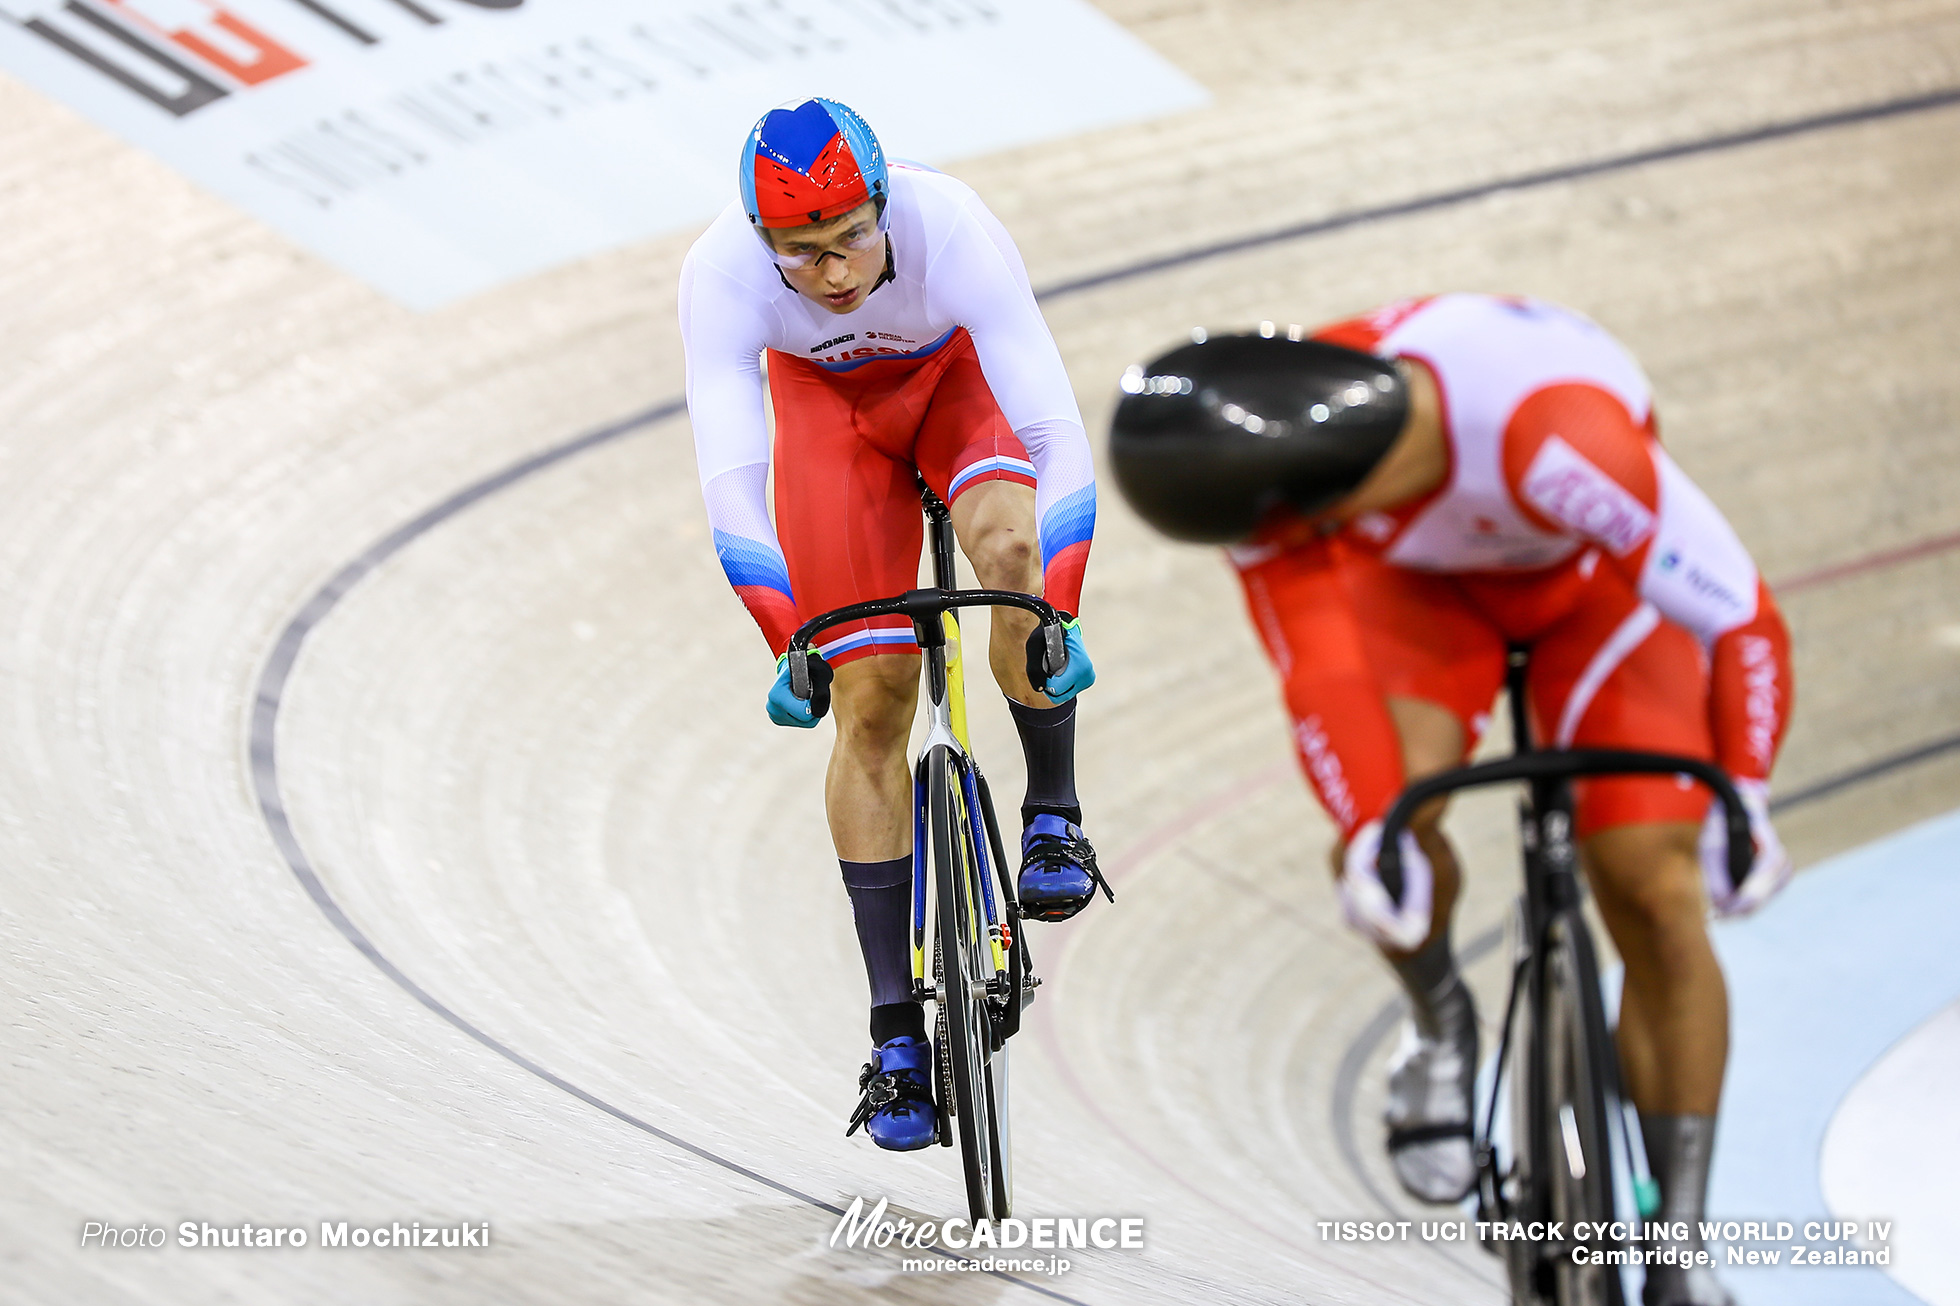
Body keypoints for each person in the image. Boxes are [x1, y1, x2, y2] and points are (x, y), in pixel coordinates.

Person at [1108, 295, 1793, 1306]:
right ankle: (1439, 1021)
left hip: (1593, 592)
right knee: (1390, 841)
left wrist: (1745, 789)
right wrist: (1378, 827)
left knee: (1649, 885)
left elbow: (1738, 616)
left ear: (1330, 492)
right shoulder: (1252, 449)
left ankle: (1678, 1243)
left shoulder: (1556, 437)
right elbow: (1324, 678)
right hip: (1418, 594)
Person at [679, 98, 1103, 1153]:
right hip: (831, 425)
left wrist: (1061, 603)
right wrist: (787, 632)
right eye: (802, 253)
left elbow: (1050, 426)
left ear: (882, 205)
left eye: (852, 240)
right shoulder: (721, 276)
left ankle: (1051, 807)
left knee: (1009, 556)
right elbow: (732, 482)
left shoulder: (949, 224)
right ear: (762, 243)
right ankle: (896, 1035)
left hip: (953, 389)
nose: (831, 274)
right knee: (869, 701)